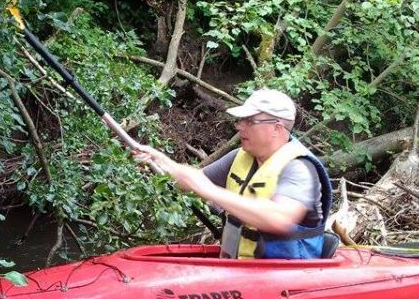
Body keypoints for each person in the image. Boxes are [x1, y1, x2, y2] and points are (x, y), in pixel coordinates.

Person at [135, 88, 332, 259]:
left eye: (250, 121)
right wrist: (159, 161)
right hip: (239, 271)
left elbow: (278, 219)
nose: (240, 126)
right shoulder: (241, 156)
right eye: (241, 120)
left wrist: (209, 190)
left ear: (276, 128)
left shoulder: (299, 168)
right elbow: (191, 181)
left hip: (286, 280)